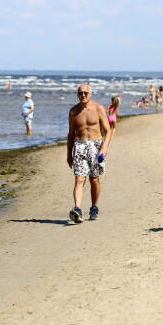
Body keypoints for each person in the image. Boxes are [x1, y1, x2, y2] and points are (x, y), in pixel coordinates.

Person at [67, 84, 113, 223]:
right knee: (79, 179)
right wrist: (69, 154)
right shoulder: (73, 111)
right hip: (79, 145)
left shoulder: (98, 108)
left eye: (85, 93)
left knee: (94, 180)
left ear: (91, 93)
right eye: (80, 93)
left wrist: (104, 147)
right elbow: (70, 134)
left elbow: (108, 130)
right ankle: (77, 209)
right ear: (77, 95)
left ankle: (94, 207)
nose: (83, 95)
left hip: (96, 146)